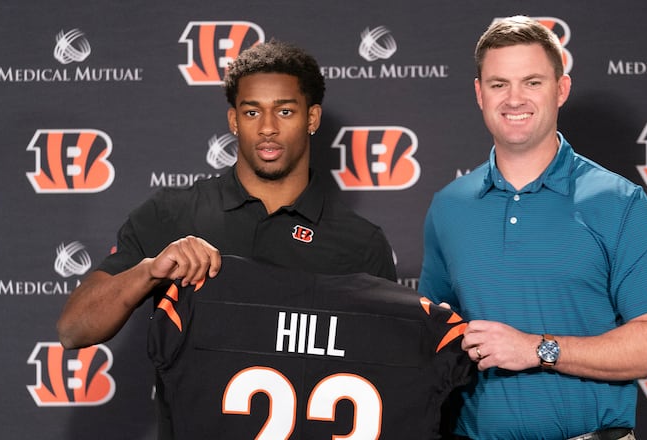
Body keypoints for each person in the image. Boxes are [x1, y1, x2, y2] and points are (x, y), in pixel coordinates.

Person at [57, 40, 397, 438]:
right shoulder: (173, 214)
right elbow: (73, 329)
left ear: (312, 117)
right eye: (252, 112)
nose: (268, 127)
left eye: (285, 111)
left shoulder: (360, 244)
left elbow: (385, 382)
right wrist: (149, 271)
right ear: (234, 120)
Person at [418, 16, 647, 440]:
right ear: (478, 93)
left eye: (532, 82)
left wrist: (536, 349)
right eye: (498, 84)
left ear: (561, 89)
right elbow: (430, 336)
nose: (514, 98)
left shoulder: (618, 202)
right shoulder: (449, 206)